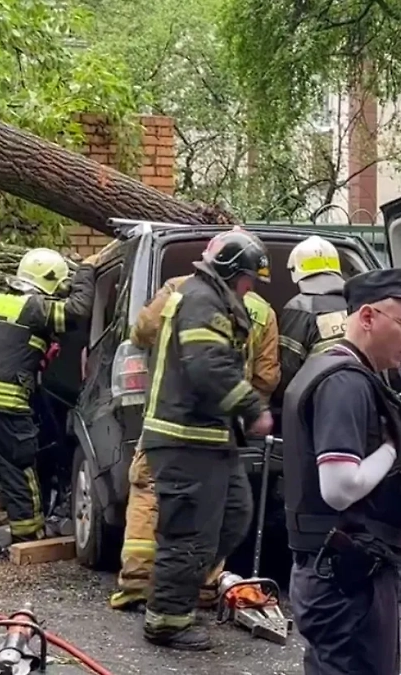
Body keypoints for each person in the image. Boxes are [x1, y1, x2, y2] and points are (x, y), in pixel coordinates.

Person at [283, 267, 401, 675]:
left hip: (338, 572)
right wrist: (391, 449)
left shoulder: (331, 369)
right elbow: (339, 488)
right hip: (347, 580)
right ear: (368, 317)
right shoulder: (346, 383)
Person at [109, 240, 281, 612]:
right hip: (183, 434)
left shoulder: (182, 291)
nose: (252, 287)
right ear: (232, 271)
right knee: (188, 530)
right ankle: (166, 611)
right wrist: (252, 406)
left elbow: (141, 331)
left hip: (211, 434)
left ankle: (173, 587)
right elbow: (222, 367)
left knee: (229, 515)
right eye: (249, 279)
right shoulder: (204, 300)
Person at [0, 248, 95, 561]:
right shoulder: (33, 306)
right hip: (1, 400)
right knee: (18, 466)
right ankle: (28, 536)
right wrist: (86, 270)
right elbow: (78, 311)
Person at [275, 235, 348, 400]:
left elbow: (288, 367)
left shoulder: (300, 307)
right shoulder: (359, 304)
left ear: (296, 270)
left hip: (317, 398)